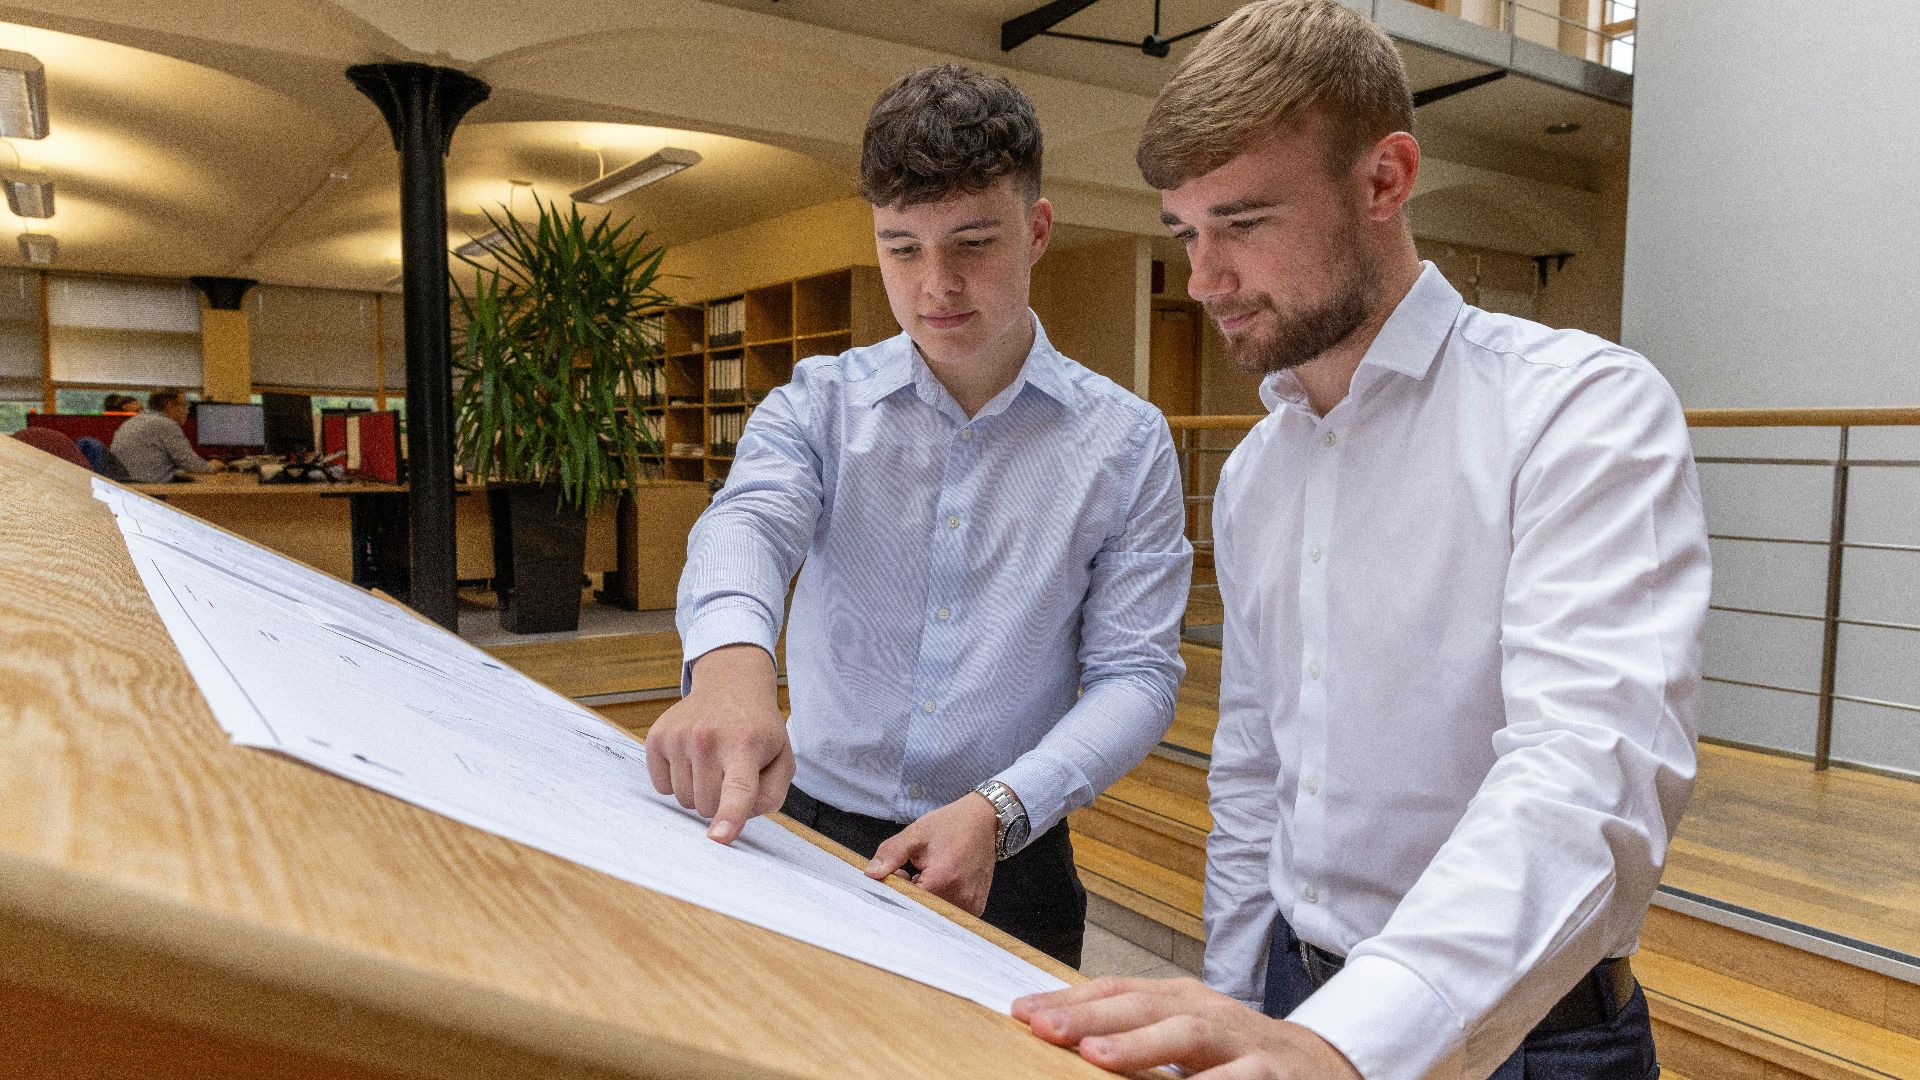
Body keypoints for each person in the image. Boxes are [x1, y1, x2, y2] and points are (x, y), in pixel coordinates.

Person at [1013, 2, 1711, 1077]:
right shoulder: (1255, 475)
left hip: (1530, 1037)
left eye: (1242, 224)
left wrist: (1342, 1044)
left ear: (1385, 180)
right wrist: (1241, 1001)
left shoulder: (1579, 411)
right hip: (1294, 994)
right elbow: (1253, 772)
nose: (1204, 280)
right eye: (1187, 233)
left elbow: (1591, 776)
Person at [646, 63, 1192, 967]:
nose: (935, 283)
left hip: (1010, 843)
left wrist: (1000, 809)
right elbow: (748, 522)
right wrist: (731, 667)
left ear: (1038, 230)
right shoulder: (817, 404)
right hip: (809, 823)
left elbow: (1137, 674)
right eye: (903, 249)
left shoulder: (1127, 443)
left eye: (972, 243)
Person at [112, 390, 223, 483]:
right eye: (185, 405)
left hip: (129, 485)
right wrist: (213, 467)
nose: (187, 411)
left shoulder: (134, 421)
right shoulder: (165, 424)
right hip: (152, 488)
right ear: (169, 406)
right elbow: (188, 462)